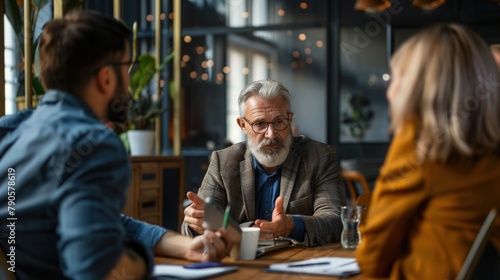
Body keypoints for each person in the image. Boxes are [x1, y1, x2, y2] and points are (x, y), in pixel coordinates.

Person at [0, 10, 230, 280]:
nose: (130, 84)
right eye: (126, 68)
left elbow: (93, 223)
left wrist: (186, 246)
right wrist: (142, 263)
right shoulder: (93, 144)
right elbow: (91, 267)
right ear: (106, 78)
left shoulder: (9, 131)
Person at [356, 23, 500, 279]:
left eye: (397, 78)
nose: (389, 93)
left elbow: (372, 258)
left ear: (420, 87)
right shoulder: (490, 153)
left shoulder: (421, 142)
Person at [181, 79, 347, 246]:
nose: (271, 134)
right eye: (259, 124)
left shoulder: (319, 157)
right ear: (242, 125)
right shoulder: (223, 161)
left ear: (289, 120)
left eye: (279, 122)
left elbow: (336, 221)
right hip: (242, 263)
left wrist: (291, 225)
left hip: (300, 262)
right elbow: (194, 227)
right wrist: (197, 223)